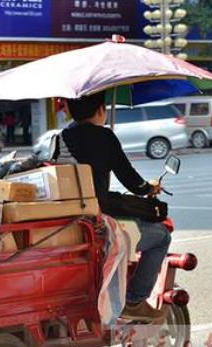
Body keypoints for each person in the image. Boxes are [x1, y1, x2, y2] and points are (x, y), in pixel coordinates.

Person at [61, 92, 171, 323]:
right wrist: (147, 187)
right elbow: (131, 180)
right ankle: (134, 300)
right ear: (101, 109)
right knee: (161, 236)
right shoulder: (104, 137)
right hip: (98, 220)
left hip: (67, 218)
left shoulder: (61, 137)